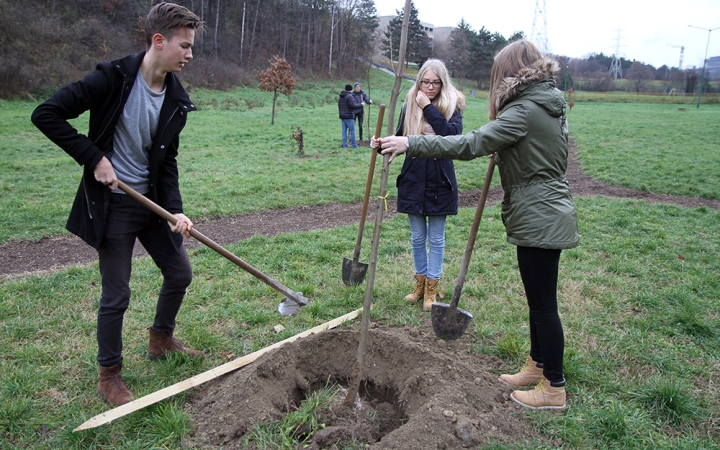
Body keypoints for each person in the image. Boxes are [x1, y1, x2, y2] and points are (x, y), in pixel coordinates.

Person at [377, 40, 579, 411]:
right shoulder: (543, 105)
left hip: (540, 213)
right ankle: (537, 365)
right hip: (540, 209)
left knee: (544, 305)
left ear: (512, 73)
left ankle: (554, 387)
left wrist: (412, 142)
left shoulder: (525, 111)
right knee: (537, 301)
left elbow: (470, 143)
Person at [31, 2, 205, 407]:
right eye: (185, 45)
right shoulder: (111, 79)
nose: (190, 54)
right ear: (158, 41)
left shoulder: (176, 98)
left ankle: (160, 340)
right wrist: (94, 158)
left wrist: (175, 209)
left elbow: (167, 162)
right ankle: (109, 374)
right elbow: (46, 114)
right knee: (117, 294)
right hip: (113, 203)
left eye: (191, 46)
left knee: (180, 272)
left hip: (152, 204)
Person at [371, 59, 465, 312]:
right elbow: (401, 138)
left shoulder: (452, 107)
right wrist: (381, 145)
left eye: (435, 82)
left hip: (440, 179)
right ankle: (420, 284)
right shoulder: (408, 107)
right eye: (425, 82)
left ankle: (432, 289)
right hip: (413, 178)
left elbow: (451, 137)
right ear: (419, 81)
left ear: (442, 83)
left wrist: (428, 107)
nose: (430, 87)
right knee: (416, 237)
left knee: (436, 237)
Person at [338, 83, 360, 148]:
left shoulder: (341, 96)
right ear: (351, 89)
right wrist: (361, 105)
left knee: (344, 131)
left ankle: (345, 145)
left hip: (342, 116)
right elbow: (353, 105)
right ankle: (354, 145)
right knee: (352, 131)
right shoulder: (349, 96)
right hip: (349, 116)